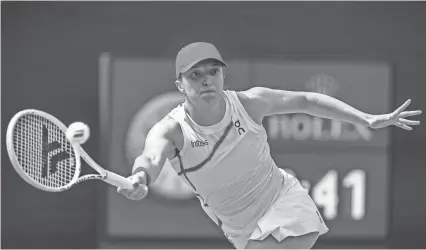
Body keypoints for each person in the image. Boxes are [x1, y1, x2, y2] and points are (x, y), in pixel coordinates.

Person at [117, 42, 421, 249]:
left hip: (281, 196)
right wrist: (140, 178)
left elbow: (307, 100)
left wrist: (366, 119)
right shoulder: (171, 129)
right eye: (195, 75)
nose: (206, 80)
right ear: (180, 85)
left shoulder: (250, 102)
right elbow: (150, 157)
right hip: (237, 224)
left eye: (213, 71)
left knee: (302, 235)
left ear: (223, 74)